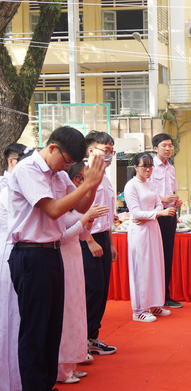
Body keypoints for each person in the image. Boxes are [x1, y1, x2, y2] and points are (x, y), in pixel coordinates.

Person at [7, 126, 105, 391]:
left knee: (52, 328)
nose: (66, 168)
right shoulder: (28, 170)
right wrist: (89, 183)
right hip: (30, 254)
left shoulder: (55, 173)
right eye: (66, 161)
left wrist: (91, 185)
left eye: (71, 164)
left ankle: (47, 383)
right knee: (36, 328)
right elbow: (52, 209)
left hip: (51, 253)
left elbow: (80, 206)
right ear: (52, 148)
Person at [58, 163, 110, 384]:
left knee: (76, 309)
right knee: (65, 312)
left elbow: (80, 234)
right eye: (78, 178)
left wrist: (88, 220)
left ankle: (72, 363)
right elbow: (62, 235)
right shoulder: (59, 203)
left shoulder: (75, 204)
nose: (80, 183)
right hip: (62, 259)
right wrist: (83, 219)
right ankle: (61, 368)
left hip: (75, 259)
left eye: (83, 179)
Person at [125, 152, 176, 322]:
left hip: (153, 227)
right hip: (139, 231)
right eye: (144, 166)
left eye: (150, 166)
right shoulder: (131, 185)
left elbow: (159, 204)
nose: (148, 169)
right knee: (141, 268)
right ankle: (139, 309)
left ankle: (155, 304)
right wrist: (158, 213)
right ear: (135, 167)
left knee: (156, 265)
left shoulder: (151, 184)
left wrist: (154, 213)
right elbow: (135, 213)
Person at [80, 131, 118, 357]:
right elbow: (78, 212)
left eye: (112, 151)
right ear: (91, 150)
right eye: (106, 150)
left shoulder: (105, 177)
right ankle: (81, 339)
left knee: (102, 290)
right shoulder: (83, 174)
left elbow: (106, 216)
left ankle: (92, 337)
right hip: (86, 238)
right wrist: (91, 241)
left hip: (103, 236)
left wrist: (110, 242)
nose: (110, 155)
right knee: (91, 290)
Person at [0, 143, 29, 391]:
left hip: (21, 250)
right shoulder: (5, 188)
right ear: (13, 162)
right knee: (9, 315)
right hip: (8, 250)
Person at [149, 133, 184, 309]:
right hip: (155, 216)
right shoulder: (149, 167)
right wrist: (162, 200)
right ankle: (153, 297)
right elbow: (146, 195)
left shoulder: (171, 168)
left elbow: (174, 191)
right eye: (164, 145)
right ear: (155, 148)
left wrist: (176, 201)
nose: (168, 149)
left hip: (170, 215)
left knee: (167, 255)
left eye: (170, 145)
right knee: (155, 256)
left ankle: (165, 295)